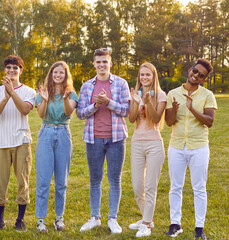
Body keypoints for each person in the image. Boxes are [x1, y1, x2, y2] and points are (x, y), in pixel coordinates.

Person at [76, 48, 131, 234]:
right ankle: (95, 217)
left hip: (116, 139)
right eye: (98, 62)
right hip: (94, 139)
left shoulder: (121, 84)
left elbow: (126, 111)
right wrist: (95, 105)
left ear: (111, 63)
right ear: (94, 63)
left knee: (115, 179)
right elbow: (80, 113)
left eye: (105, 62)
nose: (101, 65)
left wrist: (108, 102)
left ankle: (113, 219)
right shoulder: (86, 86)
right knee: (95, 179)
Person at [165, 59, 217, 239]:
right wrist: (174, 109)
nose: (196, 75)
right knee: (175, 186)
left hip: (199, 147)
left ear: (204, 79)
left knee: (199, 188)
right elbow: (169, 122)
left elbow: (209, 122)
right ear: (190, 70)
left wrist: (193, 109)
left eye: (201, 75)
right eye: (195, 71)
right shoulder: (173, 93)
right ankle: (175, 224)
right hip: (177, 146)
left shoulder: (207, 95)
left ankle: (199, 228)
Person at [0, 55, 36, 232]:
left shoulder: (30, 91)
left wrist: (12, 92)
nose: (11, 70)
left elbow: (24, 110)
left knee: (22, 181)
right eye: (8, 67)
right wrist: (5, 97)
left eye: (15, 68)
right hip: (0, 142)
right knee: (0, 183)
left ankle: (20, 220)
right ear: (4, 70)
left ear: (21, 70)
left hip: (21, 141)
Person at [35, 61, 78, 233]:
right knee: (43, 180)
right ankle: (40, 220)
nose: (58, 75)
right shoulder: (43, 92)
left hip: (63, 134)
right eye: (55, 72)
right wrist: (44, 100)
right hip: (45, 133)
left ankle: (59, 218)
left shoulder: (72, 93)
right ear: (51, 75)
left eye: (61, 72)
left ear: (66, 75)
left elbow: (68, 112)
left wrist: (66, 98)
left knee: (61, 181)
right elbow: (40, 114)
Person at [128, 62, 166, 237]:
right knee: (137, 187)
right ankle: (147, 218)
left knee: (150, 186)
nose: (144, 77)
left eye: (147, 75)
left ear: (153, 76)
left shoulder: (160, 95)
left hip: (154, 144)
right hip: (137, 143)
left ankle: (146, 224)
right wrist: (136, 102)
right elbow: (131, 119)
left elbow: (157, 118)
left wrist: (148, 101)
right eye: (141, 75)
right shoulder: (135, 94)